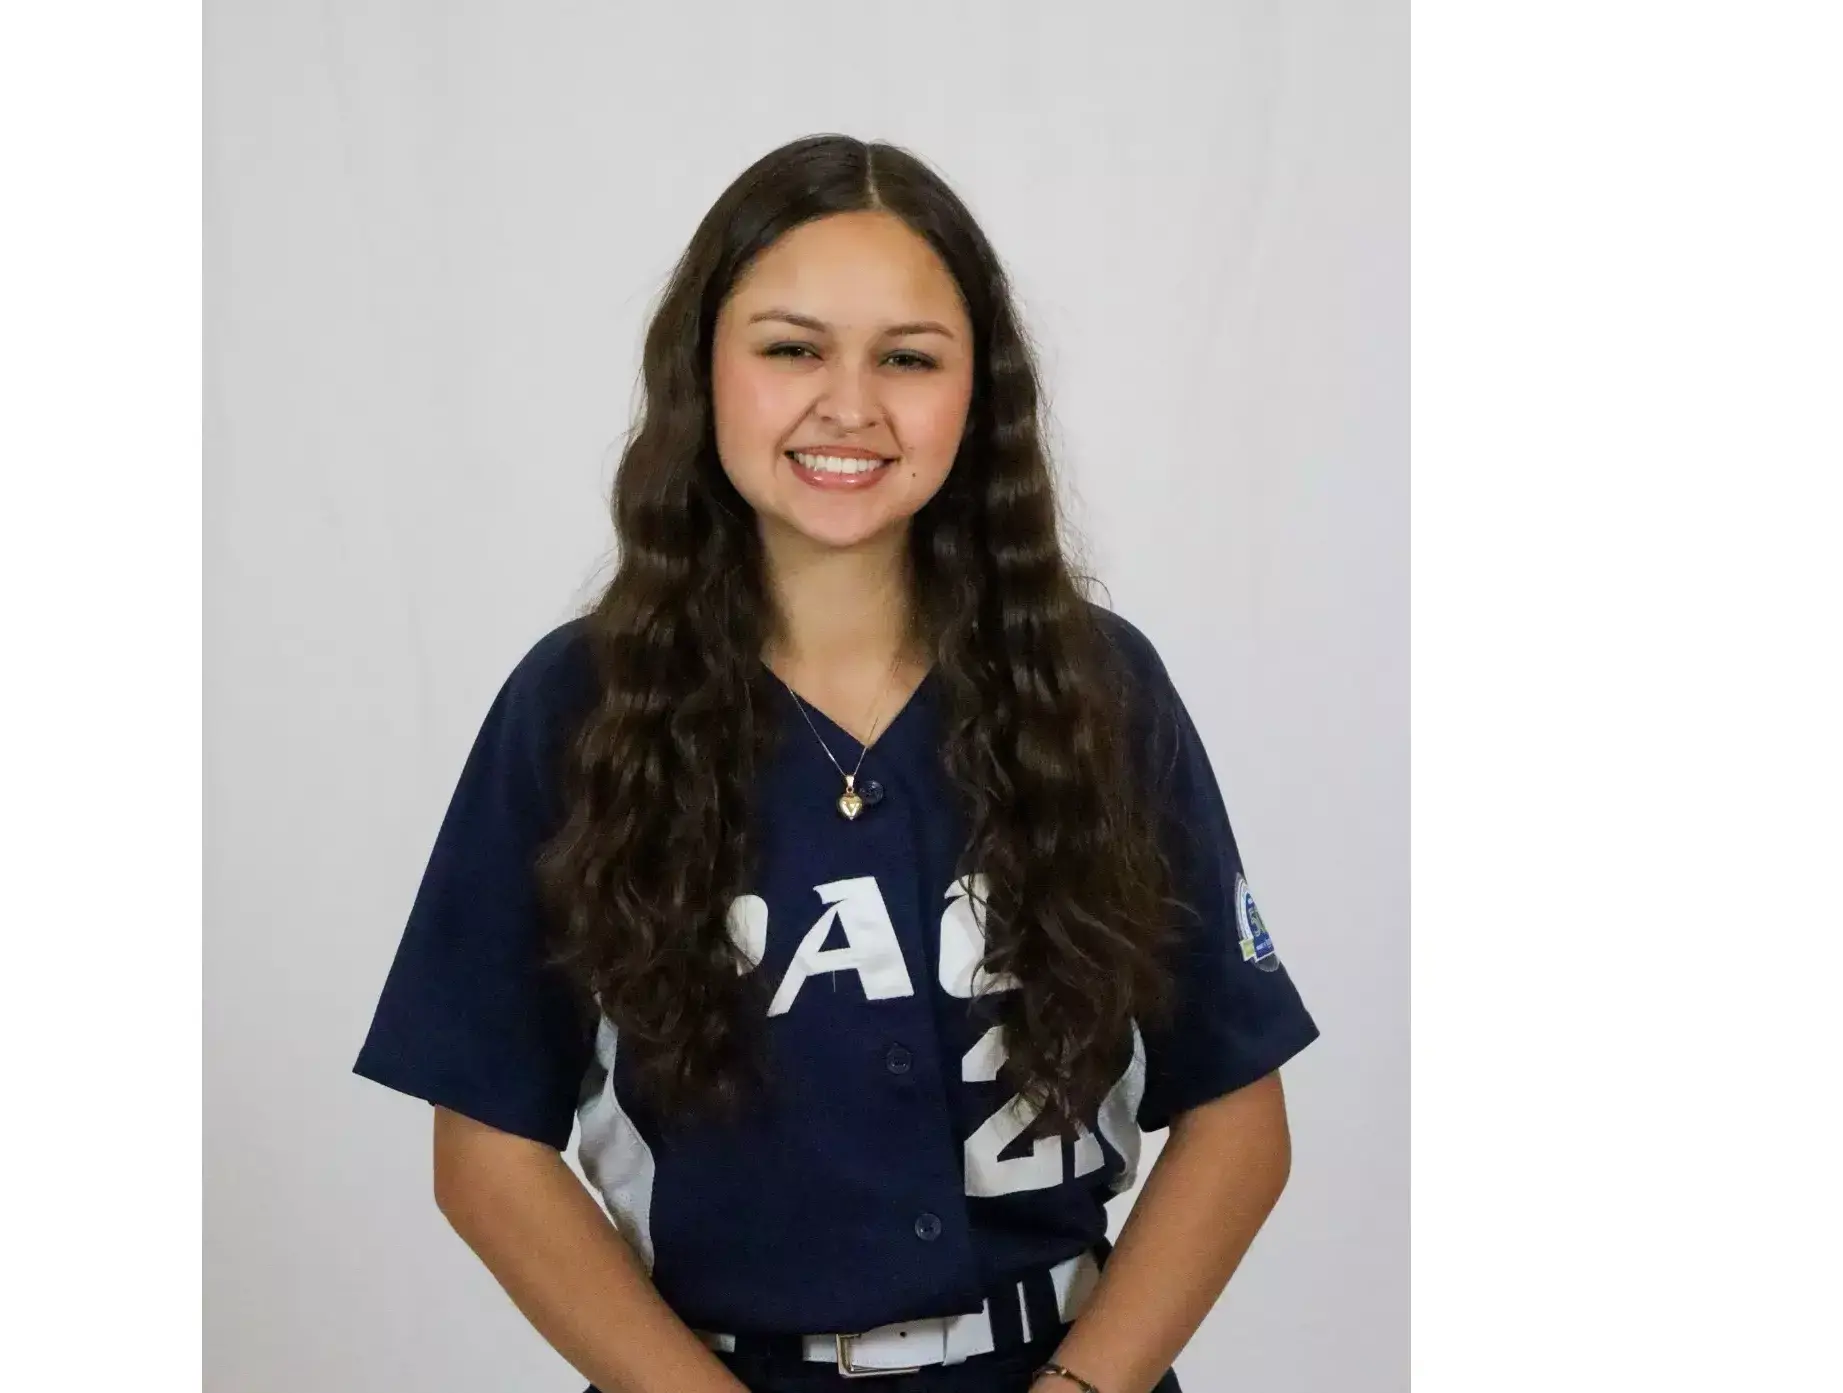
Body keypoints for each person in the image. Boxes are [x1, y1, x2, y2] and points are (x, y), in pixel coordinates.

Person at [353, 133, 1319, 1393]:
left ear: (978, 392)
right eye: (791, 348)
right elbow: (485, 1149)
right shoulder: (576, 708)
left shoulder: (1099, 689)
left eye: (908, 358)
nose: (850, 406)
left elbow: (1238, 1117)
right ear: (704, 369)